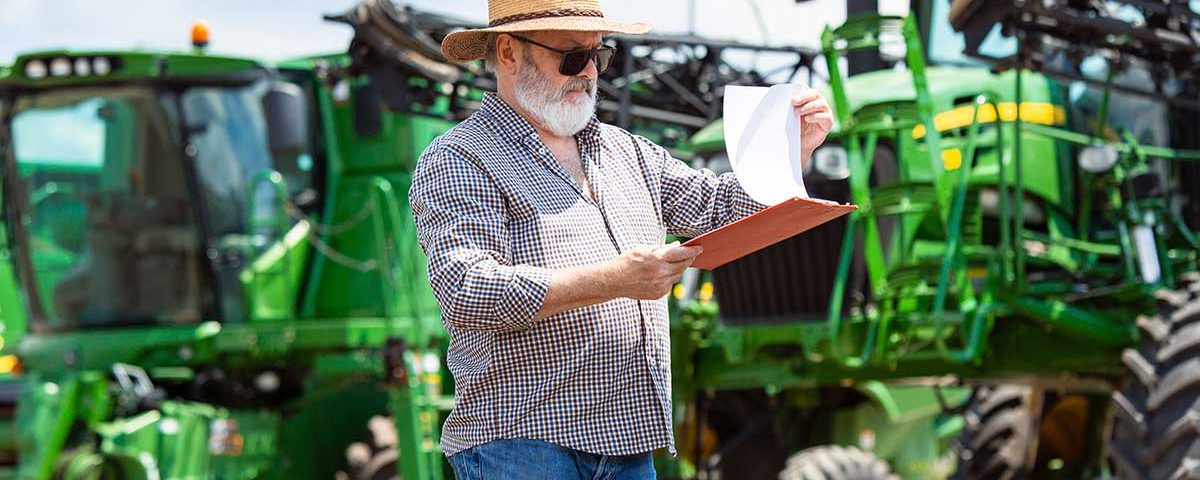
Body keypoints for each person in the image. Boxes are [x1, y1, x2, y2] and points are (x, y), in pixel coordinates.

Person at [410, 1, 833, 478]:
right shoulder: (459, 158)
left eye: (600, 55)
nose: (589, 72)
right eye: (572, 57)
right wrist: (615, 280)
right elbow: (467, 290)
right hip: (521, 443)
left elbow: (716, 207)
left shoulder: (624, 149)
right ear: (508, 53)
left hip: (626, 442)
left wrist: (788, 151)